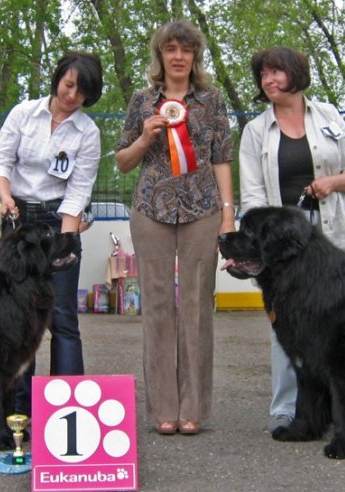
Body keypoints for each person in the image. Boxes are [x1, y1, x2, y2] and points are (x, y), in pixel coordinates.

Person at [115, 20, 236, 435]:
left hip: (203, 210)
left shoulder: (213, 101)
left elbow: (221, 158)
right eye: (171, 49)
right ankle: (163, 410)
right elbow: (123, 161)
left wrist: (228, 215)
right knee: (158, 307)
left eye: (186, 49)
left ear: (195, 55)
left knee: (198, 307)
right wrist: (146, 136)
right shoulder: (141, 101)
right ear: (160, 55)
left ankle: (193, 409)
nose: (179, 56)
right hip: (151, 210)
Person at [238, 47, 345, 434]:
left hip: (329, 237)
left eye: (275, 72)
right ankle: (286, 406)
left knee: (335, 324)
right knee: (287, 323)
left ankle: (333, 406)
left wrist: (332, 182)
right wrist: (266, 237)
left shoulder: (327, 116)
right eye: (262, 74)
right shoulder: (255, 131)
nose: (268, 80)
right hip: (283, 247)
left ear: (295, 73)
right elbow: (253, 198)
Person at [0, 51, 103, 416]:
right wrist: (5, 198)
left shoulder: (88, 132)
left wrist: (67, 241)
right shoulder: (23, 114)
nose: (72, 96)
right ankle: (18, 412)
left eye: (82, 92)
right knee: (17, 318)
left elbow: (79, 190)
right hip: (19, 221)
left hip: (58, 222)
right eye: (69, 85)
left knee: (62, 318)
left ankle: (68, 411)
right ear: (57, 79)